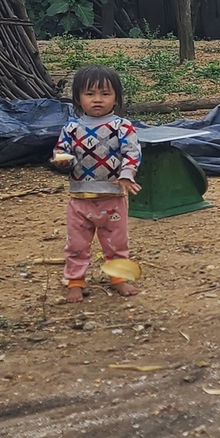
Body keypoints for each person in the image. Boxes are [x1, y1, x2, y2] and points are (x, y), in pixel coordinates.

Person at [49, 65, 142, 300]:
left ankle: (119, 278)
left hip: (112, 198)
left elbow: (133, 152)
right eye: (90, 94)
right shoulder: (71, 128)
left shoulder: (122, 127)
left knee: (117, 244)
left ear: (116, 98)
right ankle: (75, 281)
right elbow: (62, 150)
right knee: (77, 245)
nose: (98, 100)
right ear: (78, 98)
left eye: (105, 94)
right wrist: (61, 160)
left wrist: (127, 174)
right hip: (80, 200)